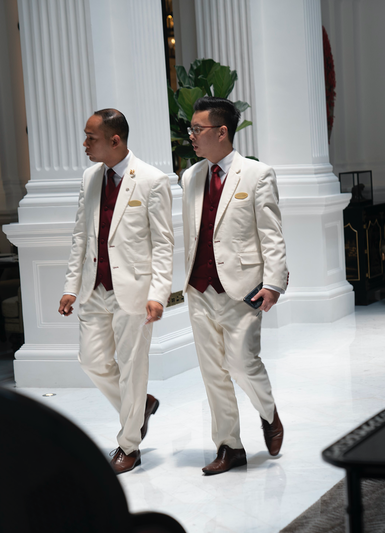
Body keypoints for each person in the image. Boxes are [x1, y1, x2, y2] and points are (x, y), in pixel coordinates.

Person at [58, 109, 174, 474]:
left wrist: (158, 292)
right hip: (94, 289)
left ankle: (129, 446)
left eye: (91, 137)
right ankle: (142, 406)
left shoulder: (152, 180)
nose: (85, 144)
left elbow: (164, 244)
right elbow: (81, 236)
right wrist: (70, 287)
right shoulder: (90, 178)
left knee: (132, 368)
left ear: (115, 140)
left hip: (135, 291)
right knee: (91, 360)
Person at [181, 96, 289, 475]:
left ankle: (269, 413)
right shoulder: (190, 177)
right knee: (213, 372)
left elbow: (271, 235)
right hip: (199, 289)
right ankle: (230, 446)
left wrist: (274, 283)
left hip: (242, 288)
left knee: (242, 362)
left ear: (222, 132)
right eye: (191, 129)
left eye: (198, 129)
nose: (191, 135)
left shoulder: (257, 175)